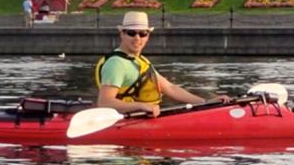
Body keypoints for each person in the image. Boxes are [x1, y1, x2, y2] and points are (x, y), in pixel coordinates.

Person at [95, 11, 226, 117]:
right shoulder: (116, 64)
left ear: (148, 36)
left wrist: (205, 103)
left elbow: (170, 88)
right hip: (127, 120)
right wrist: (140, 106)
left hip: (142, 116)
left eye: (142, 34)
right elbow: (105, 102)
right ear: (122, 34)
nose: (137, 38)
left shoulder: (140, 61)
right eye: (131, 33)